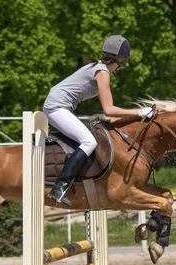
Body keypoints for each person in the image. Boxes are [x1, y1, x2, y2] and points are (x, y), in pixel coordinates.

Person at [43, 34, 153, 206]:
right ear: (122, 58)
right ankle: (60, 186)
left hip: (62, 107)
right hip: (56, 107)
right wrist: (140, 113)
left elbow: (109, 115)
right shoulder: (102, 72)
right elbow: (109, 110)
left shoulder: (99, 68)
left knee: (89, 137)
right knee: (88, 142)